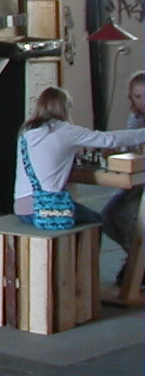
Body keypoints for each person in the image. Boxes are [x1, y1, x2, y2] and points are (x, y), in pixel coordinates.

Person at [13, 85, 145, 234]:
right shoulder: (64, 130)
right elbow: (109, 140)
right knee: (100, 220)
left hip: (21, 208)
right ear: (63, 108)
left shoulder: (26, 131)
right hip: (46, 209)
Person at [101, 71, 145, 263]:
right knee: (107, 216)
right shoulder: (135, 118)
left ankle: (137, 262)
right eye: (138, 96)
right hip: (136, 179)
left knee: (128, 216)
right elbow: (130, 147)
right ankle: (134, 259)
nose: (143, 102)